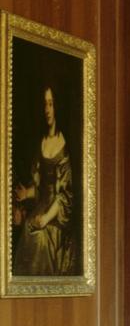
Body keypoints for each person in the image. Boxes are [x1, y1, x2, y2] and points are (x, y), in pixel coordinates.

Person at [11, 86, 76, 277]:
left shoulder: (63, 147)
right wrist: (26, 194)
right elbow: (40, 188)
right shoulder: (42, 142)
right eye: (45, 104)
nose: (47, 110)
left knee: (40, 238)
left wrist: (46, 218)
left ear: (58, 107)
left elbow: (64, 196)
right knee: (28, 230)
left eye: (51, 104)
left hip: (56, 217)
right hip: (41, 208)